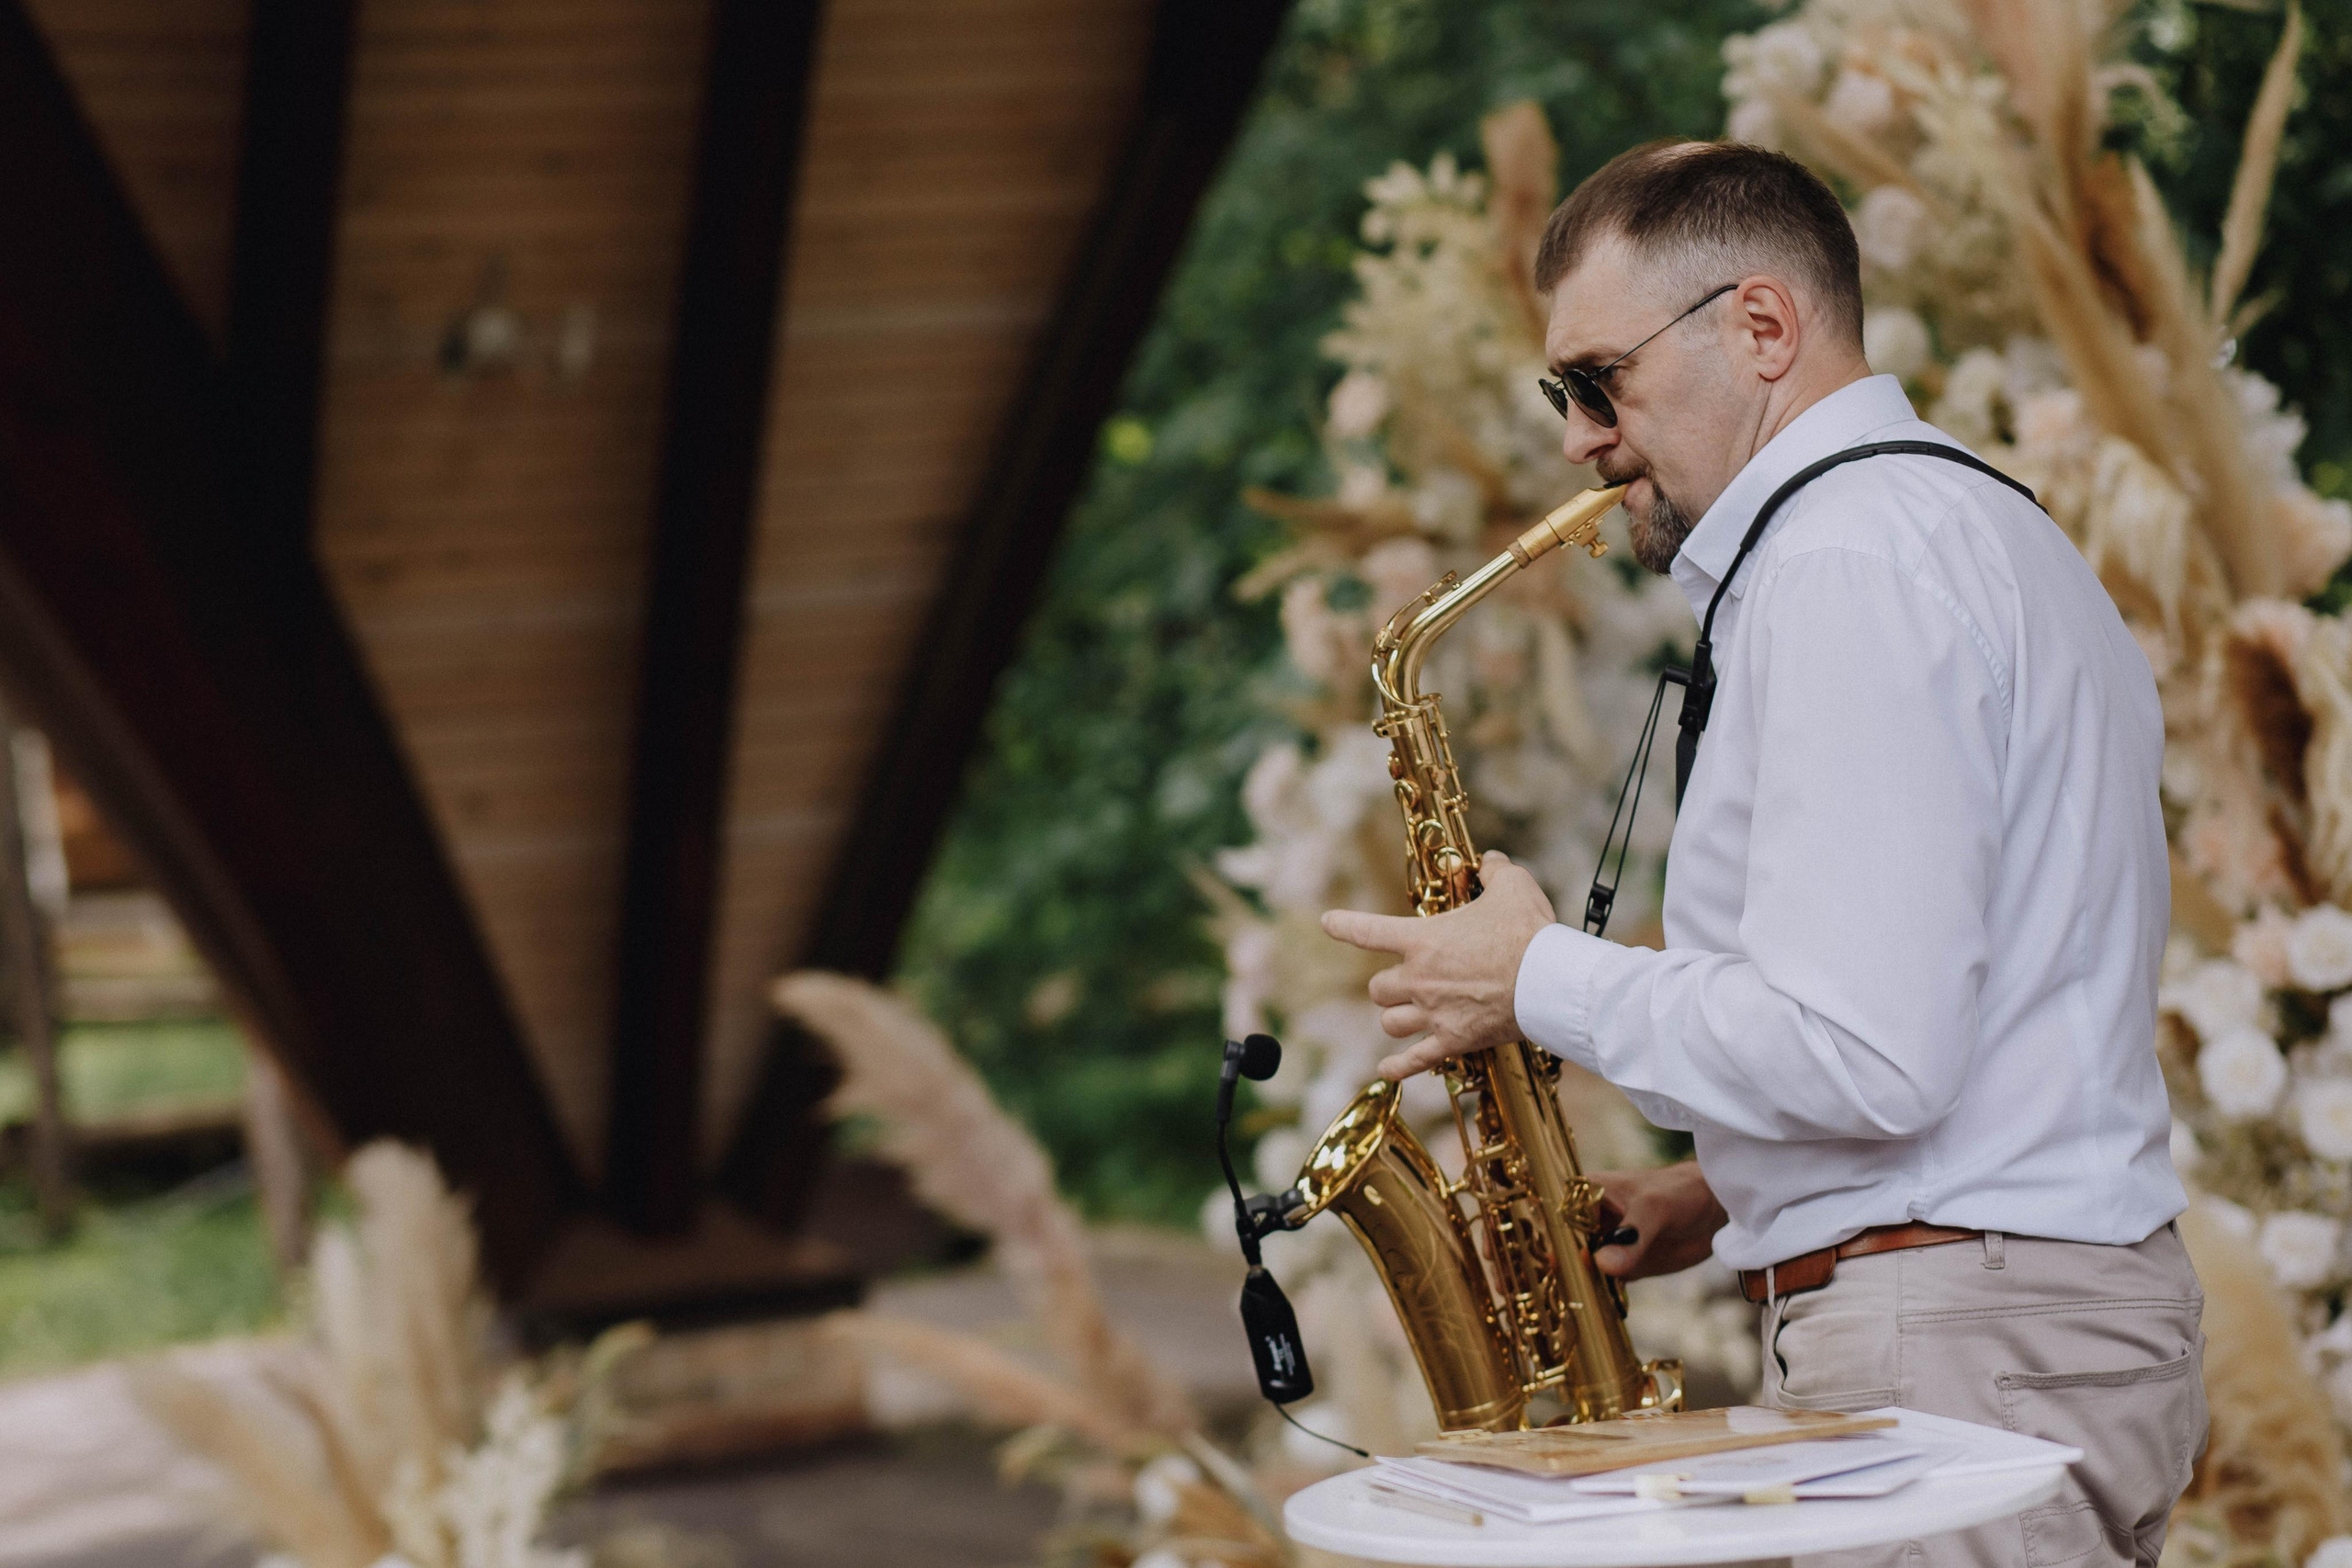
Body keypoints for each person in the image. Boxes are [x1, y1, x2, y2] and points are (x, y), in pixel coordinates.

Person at [1319, 139, 2203, 1568]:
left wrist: (1534, 980)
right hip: (2001, 1332)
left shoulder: (1847, 565)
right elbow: (1967, 1013)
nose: (1577, 443)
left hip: (1956, 1352)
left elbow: (1865, 1044)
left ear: (1763, 328)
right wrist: (1713, 1196)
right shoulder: (1965, 525)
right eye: (1562, 395)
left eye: (1598, 381)